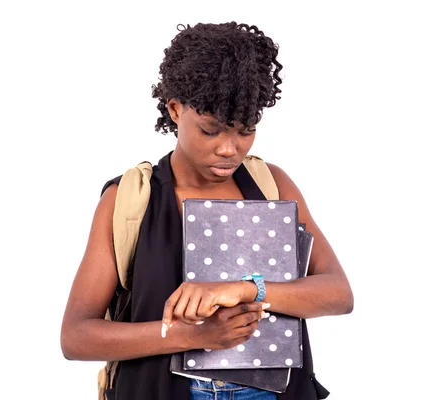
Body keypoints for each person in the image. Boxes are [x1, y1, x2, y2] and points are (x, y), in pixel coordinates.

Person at [60, 21, 354, 400]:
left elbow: (338, 293)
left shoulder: (271, 184)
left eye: (245, 130)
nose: (230, 149)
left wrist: (246, 289)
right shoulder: (130, 198)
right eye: (211, 130)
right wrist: (193, 336)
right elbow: (76, 336)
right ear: (176, 109)